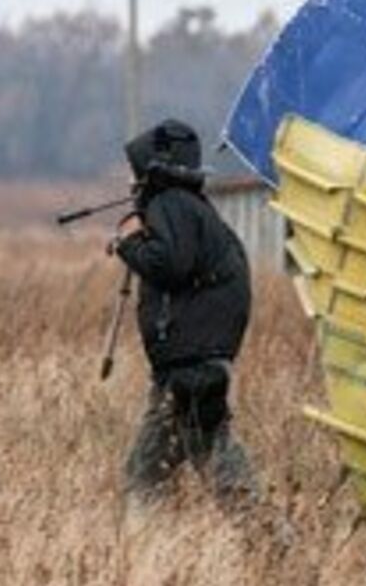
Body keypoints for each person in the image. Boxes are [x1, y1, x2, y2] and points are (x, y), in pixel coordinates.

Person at [111, 118, 259, 510]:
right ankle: (271, 548)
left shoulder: (170, 204)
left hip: (190, 366)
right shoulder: (189, 207)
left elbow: (170, 264)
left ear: (151, 167)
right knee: (201, 463)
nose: (132, 181)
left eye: (135, 171)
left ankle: (275, 551)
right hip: (197, 363)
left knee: (151, 475)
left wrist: (128, 245)